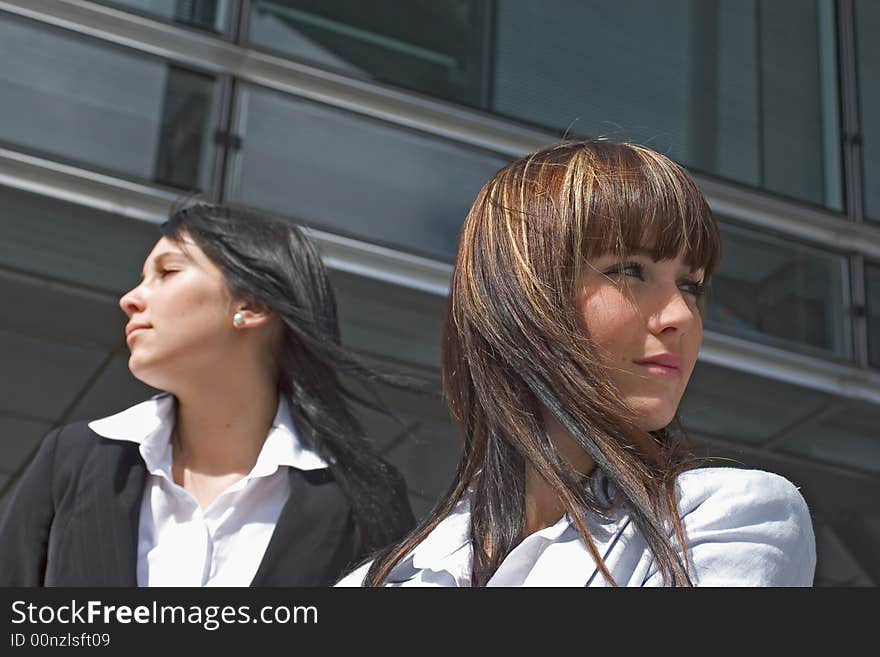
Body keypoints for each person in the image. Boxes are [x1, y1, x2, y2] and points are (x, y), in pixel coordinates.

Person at [337, 139, 816, 587]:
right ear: (521, 298)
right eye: (629, 271)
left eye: (691, 285)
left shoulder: (734, 518)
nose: (681, 316)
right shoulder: (394, 576)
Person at [0, 202, 416, 586]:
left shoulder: (365, 502)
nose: (130, 299)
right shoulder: (73, 459)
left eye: (167, 272)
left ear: (251, 304)